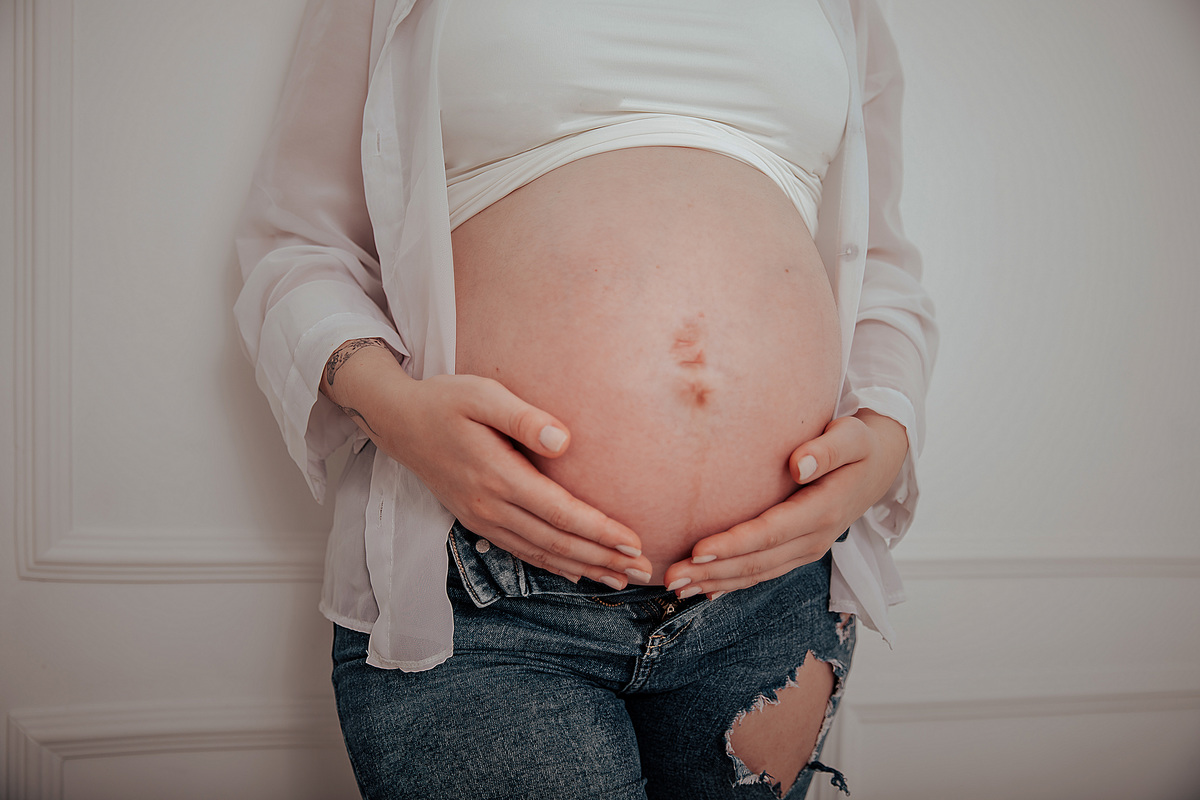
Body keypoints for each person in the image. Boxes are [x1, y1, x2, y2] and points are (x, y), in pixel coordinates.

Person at [235, 0, 937, 797]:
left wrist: (885, 438)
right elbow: (300, 246)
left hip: (772, 597)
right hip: (485, 596)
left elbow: (881, 267)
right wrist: (400, 414)